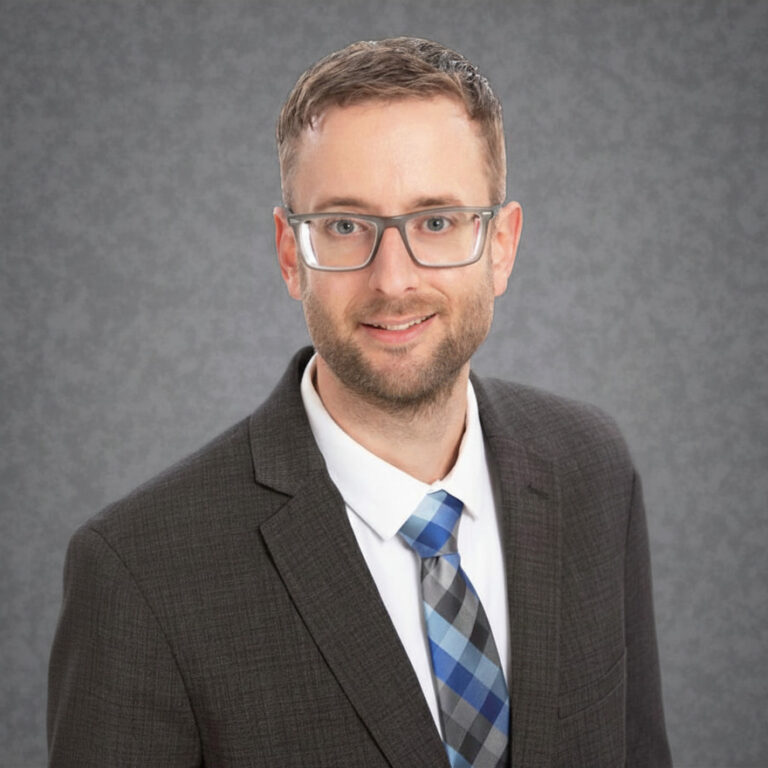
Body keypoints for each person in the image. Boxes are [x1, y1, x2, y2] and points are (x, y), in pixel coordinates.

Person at [47, 37, 672, 768]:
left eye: (436, 221)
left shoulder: (590, 466)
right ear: (290, 254)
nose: (394, 279)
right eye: (346, 226)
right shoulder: (138, 573)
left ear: (500, 246)